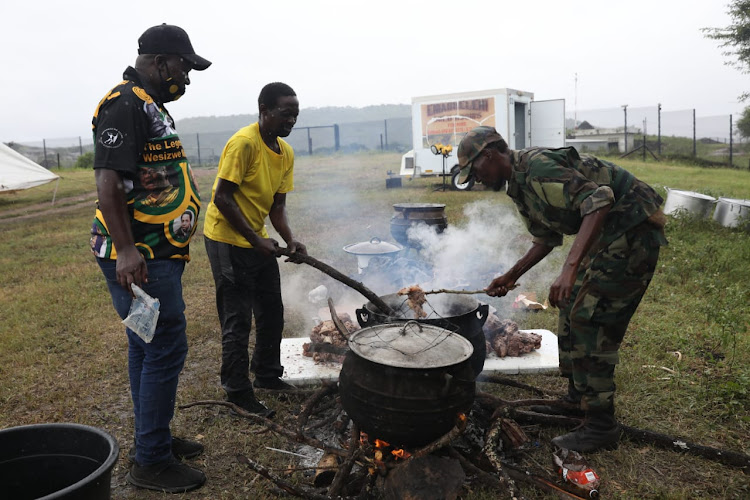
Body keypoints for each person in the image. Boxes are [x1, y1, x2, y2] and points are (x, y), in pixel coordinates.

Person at [456, 126, 667, 452]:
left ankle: (601, 424)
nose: (476, 178)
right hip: (610, 231)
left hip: (632, 224)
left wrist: (569, 270)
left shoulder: (537, 167)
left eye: (475, 170)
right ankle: (577, 399)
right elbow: (546, 238)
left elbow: (600, 201)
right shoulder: (519, 185)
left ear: (490, 154)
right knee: (571, 307)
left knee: (590, 316)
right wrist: (511, 275)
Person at [90, 23, 211, 493]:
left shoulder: (148, 102)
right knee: (163, 347)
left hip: (156, 255)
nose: (188, 76)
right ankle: (152, 462)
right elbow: (107, 182)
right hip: (141, 257)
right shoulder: (124, 103)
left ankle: (152, 439)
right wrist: (126, 250)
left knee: (145, 345)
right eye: (185, 66)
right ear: (162, 62)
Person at [203, 82, 307, 416]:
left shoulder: (285, 152)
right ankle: (237, 394)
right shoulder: (244, 144)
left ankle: (266, 375)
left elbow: (278, 207)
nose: (291, 120)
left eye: (295, 115)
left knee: (271, 310)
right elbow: (222, 197)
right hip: (227, 239)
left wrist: (289, 239)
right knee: (237, 319)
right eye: (284, 113)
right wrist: (255, 239)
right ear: (264, 111)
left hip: (256, 240)